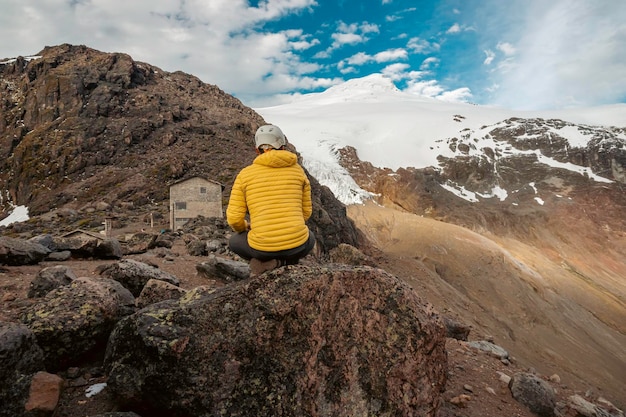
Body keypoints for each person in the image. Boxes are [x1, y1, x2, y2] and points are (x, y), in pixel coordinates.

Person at [227, 124, 315, 276]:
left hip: (262, 248)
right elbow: (306, 213)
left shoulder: (245, 175)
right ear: (283, 147)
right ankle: (287, 262)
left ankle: (268, 262)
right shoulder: (298, 171)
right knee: (310, 238)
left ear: (257, 150)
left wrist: (246, 227)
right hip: (298, 246)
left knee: (234, 242)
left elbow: (234, 219)